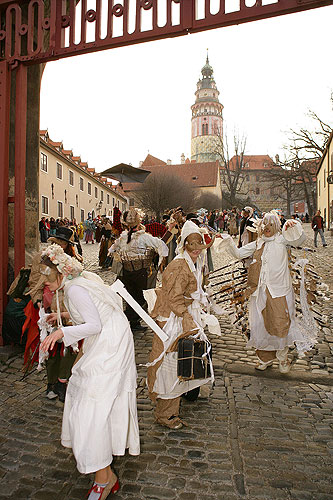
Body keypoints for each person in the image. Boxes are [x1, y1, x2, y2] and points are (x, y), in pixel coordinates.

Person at [39, 244, 140, 499]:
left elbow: (93, 324)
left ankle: (103, 477)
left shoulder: (73, 289)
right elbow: (95, 309)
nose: (47, 286)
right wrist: (62, 316)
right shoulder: (78, 280)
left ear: (60, 274)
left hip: (110, 343)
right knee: (89, 403)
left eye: (49, 280)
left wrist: (63, 332)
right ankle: (104, 475)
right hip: (108, 338)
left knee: (92, 406)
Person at [218, 211, 315, 373]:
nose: (267, 227)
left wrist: (293, 226)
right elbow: (239, 254)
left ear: (276, 226)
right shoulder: (258, 243)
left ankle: (283, 358)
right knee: (260, 325)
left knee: (280, 322)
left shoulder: (282, 240)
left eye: (271, 224)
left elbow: (299, 239)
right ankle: (265, 358)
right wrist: (228, 241)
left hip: (279, 291)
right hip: (259, 291)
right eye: (265, 224)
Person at [146, 221, 220, 429]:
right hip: (174, 319)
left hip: (184, 315)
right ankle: (165, 414)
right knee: (170, 366)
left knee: (181, 363)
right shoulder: (180, 264)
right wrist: (186, 317)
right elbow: (173, 297)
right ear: (184, 245)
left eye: (199, 244)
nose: (196, 248)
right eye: (191, 244)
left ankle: (172, 409)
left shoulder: (192, 261)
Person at [24, 227, 83, 401]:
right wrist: (38, 301)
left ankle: (62, 382)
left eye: (64, 242)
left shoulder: (72, 260)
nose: (60, 245)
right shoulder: (40, 258)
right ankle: (50, 383)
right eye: (58, 241)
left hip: (67, 306)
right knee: (51, 346)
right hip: (49, 305)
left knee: (69, 344)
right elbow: (34, 281)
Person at [108, 208, 169, 332]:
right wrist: (160, 257)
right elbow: (161, 246)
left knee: (131, 296)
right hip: (140, 272)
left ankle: (131, 320)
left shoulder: (122, 238)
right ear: (139, 221)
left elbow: (111, 251)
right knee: (140, 298)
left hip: (126, 271)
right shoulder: (144, 237)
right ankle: (132, 320)